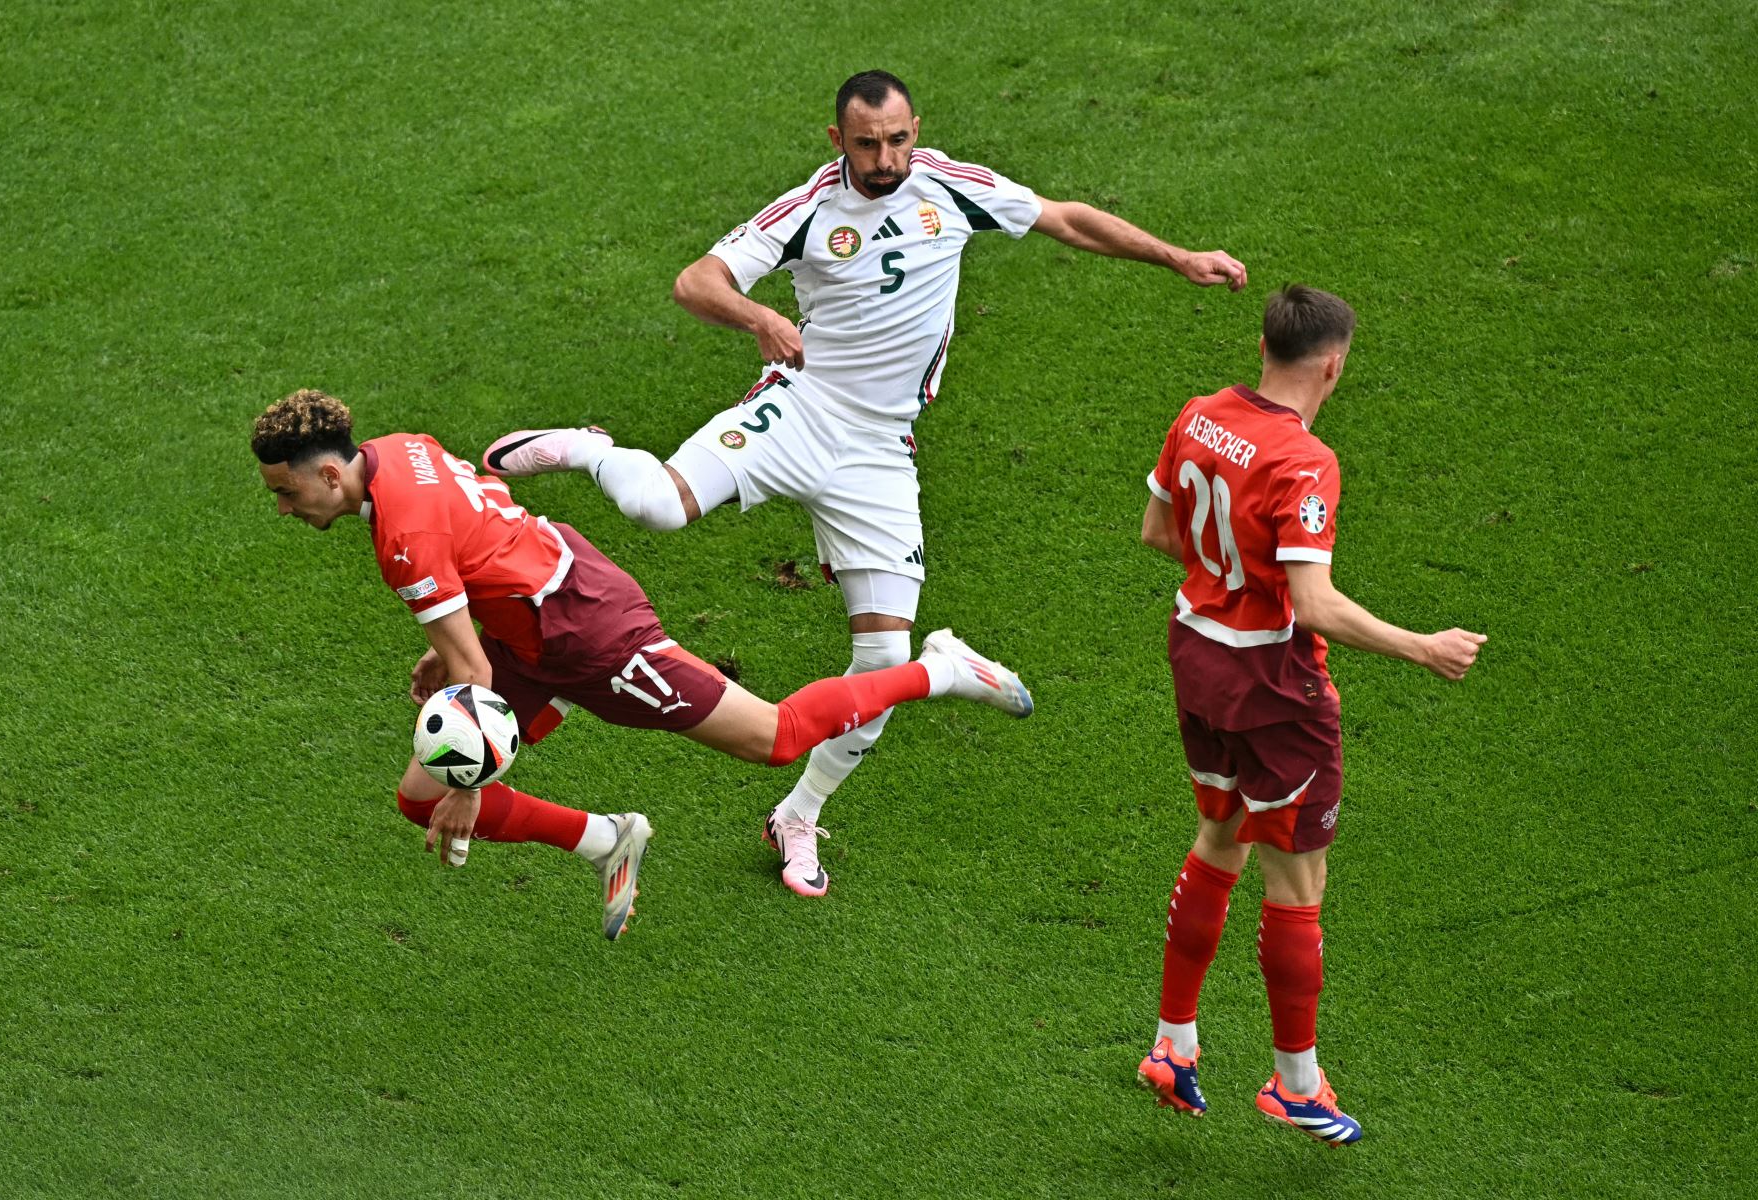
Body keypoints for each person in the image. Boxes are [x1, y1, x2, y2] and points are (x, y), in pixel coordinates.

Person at [482, 69, 1247, 898]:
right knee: (654, 506)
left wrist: (1179, 259)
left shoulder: (952, 189)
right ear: (836, 140)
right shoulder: (811, 206)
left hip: (880, 452)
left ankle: (798, 815)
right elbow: (695, 282)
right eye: (865, 144)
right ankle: (586, 446)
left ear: (917, 127)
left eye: (897, 140)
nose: (884, 159)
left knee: (880, 662)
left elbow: (1064, 219)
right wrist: (765, 319)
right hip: (800, 410)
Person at [251, 389, 1033, 940]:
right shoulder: (398, 451)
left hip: (587, 628)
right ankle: (608, 840)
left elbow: (475, 687)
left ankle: (940, 669)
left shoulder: (400, 541)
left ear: (327, 473)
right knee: (417, 797)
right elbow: (480, 513)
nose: (285, 512)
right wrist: (455, 631)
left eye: (286, 494)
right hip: (532, 613)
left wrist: (471, 783)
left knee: (774, 736)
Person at [1133, 286, 1485, 1145]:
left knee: (1220, 837)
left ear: (1264, 344)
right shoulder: (1304, 460)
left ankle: (1172, 1045)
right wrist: (1422, 646)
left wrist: (1227, 579)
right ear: (1334, 365)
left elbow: (1156, 531)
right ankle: (1294, 1083)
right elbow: (1315, 606)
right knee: (1297, 886)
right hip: (1276, 690)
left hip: (1196, 657)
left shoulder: (1198, 414)